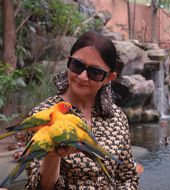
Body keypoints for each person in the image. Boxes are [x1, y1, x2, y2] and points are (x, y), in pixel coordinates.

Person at [25, 30, 139, 190]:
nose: (83, 76)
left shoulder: (117, 117)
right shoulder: (44, 115)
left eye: (95, 72)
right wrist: (53, 155)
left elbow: (128, 178)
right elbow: (37, 186)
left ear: (109, 78)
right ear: (68, 62)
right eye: (77, 66)